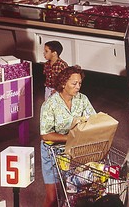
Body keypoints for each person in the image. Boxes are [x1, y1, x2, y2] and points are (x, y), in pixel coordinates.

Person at [40, 66, 96, 207]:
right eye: (74, 83)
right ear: (63, 83)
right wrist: (72, 138)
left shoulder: (82, 99)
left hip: (74, 152)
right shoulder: (50, 104)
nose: (78, 87)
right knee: (53, 197)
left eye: (80, 83)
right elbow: (46, 135)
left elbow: (94, 120)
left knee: (72, 194)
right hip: (52, 153)